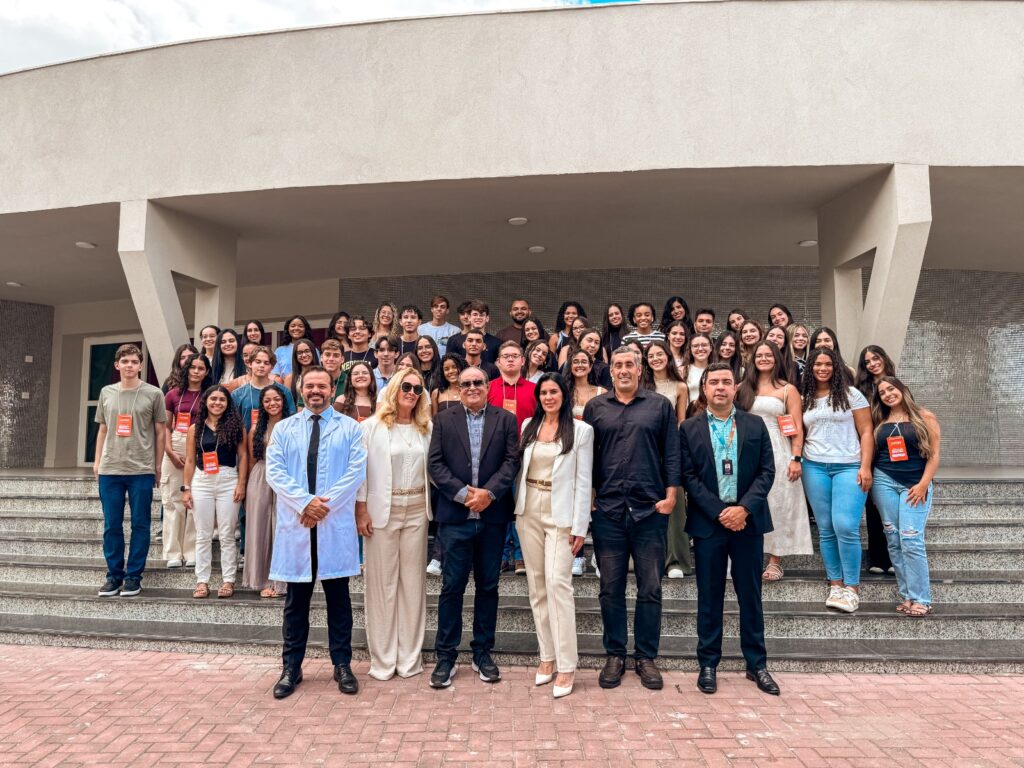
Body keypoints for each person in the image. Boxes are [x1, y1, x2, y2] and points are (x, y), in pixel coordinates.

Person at [265, 367, 367, 699]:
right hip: (298, 523)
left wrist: (322, 506)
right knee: (296, 603)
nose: (315, 391)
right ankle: (291, 667)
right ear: (300, 389)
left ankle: (342, 664)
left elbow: (356, 471)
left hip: (332, 523)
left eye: (322, 386)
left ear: (331, 389)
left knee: (339, 600)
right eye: (309, 386)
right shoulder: (284, 429)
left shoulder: (350, 428)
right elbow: (275, 472)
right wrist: (305, 503)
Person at [679, 362, 779, 696]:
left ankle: (757, 664)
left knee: (750, 595)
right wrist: (719, 511)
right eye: (714, 382)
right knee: (709, 597)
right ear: (704, 388)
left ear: (735, 388)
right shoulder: (689, 428)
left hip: (747, 522)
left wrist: (743, 509)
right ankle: (708, 663)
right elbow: (689, 476)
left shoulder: (754, 424)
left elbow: (766, 471)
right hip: (709, 523)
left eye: (726, 382)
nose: (720, 387)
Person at [583, 346, 679, 691]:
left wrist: (671, 495)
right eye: (618, 365)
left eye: (629, 364)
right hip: (608, 510)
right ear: (610, 371)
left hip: (649, 510)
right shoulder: (596, 407)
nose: (623, 370)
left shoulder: (660, 406)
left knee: (650, 587)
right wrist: (589, 496)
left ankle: (646, 656)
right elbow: (587, 456)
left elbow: (672, 453)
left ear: (640, 370)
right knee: (610, 588)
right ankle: (615, 654)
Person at [427, 365, 520, 688]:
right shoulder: (443, 420)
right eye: (465, 383)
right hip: (456, 519)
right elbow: (435, 464)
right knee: (451, 588)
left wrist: (489, 494)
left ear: (487, 386)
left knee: (488, 587)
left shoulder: (505, 420)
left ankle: (482, 652)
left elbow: (511, 461)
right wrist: (465, 494)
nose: (472, 387)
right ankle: (446, 656)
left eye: (478, 382)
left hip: (492, 519)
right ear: (459, 388)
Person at [516, 373, 594, 698]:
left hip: (560, 512)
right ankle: (546, 656)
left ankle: (567, 664)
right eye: (544, 392)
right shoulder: (528, 426)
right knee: (537, 587)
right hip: (528, 509)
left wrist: (580, 526)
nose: (548, 397)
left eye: (554, 392)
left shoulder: (581, 430)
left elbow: (584, 480)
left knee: (557, 584)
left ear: (564, 394)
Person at [356, 369, 433, 680]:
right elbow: (360, 472)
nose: (412, 392)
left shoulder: (426, 428)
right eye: (406, 386)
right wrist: (361, 510)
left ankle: (410, 659)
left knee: (413, 586)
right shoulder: (371, 427)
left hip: (417, 511)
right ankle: (384, 660)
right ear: (394, 389)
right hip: (380, 512)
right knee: (381, 586)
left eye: (417, 388)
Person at [800, 348, 874, 613]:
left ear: (836, 367)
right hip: (814, 466)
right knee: (826, 528)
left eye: (828, 364)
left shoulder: (851, 394)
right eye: (817, 364)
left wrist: (865, 466)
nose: (823, 368)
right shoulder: (805, 398)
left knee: (846, 526)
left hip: (849, 465)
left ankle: (852, 588)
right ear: (810, 368)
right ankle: (835, 583)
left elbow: (867, 431)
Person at [93, 344, 167, 598]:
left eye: (134, 362)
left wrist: (158, 465)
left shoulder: (153, 393)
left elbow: (160, 432)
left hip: (141, 469)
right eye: (125, 361)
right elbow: (103, 429)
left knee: (140, 524)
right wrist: (97, 461)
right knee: (111, 525)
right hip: (110, 468)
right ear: (117, 365)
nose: (129, 365)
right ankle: (114, 576)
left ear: (140, 365)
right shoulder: (106, 392)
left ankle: (134, 576)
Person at [736, 342, 812, 582]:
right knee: (748, 500)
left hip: (778, 448)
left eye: (769, 355)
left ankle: (775, 559)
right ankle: (748, 555)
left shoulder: (788, 389)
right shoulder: (741, 388)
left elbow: (797, 427)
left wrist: (796, 458)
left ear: (777, 358)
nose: (764, 358)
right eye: (759, 355)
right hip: (746, 449)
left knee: (779, 501)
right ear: (752, 359)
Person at [870, 376, 942, 617]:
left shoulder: (924, 416)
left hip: (915, 483)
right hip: (883, 481)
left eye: (891, 389)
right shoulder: (880, 420)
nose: (887, 394)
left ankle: (922, 599)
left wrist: (923, 484)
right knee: (893, 538)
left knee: (911, 539)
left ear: (902, 389)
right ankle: (908, 596)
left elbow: (934, 455)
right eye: (882, 393)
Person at [182, 385, 247, 599]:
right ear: (206, 402)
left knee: (227, 533)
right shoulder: (195, 428)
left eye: (222, 399)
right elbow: (190, 460)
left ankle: (228, 580)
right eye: (213, 399)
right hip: (202, 480)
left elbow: (243, 457)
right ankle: (202, 581)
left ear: (228, 403)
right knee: (203, 534)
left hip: (228, 479)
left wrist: (241, 484)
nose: (217, 403)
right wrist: (186, 488)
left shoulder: (236, 426)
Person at [644, 341, 691, 581]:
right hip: (643, 448)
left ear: (668, 357)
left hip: (670, 449)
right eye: (651, 355)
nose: (655, 359)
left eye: (659, 354)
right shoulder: (641, 384)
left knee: (675, 503)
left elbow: (681, 422)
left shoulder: (680, 386)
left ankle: (675, 560)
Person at [488, 341, 535, 574]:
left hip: (524, 456)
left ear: (523, 361)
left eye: (515, 355)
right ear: (497, 362)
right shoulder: (488, 388)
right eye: (505, 356)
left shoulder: (534, 389)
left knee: (521, 507)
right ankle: (500, 554)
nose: (510, 359)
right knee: (498, 507)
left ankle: (520, 555)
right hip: (495, 458)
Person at [243, 385, 293, 598]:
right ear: (262, 405)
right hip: (261, 477)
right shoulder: (256, 429)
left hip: (287, 477)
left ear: (284, 401)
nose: (272, 403)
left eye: (277, 399)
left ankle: (283, 581)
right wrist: (245, 488)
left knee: (283, 528)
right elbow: (251, 460)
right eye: (267, 400)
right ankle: (263, 580)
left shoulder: (293, 425)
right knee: (261, 529)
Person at [161, 352, 210, 568]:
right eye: (193, 367)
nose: (196, 372)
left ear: (206, 372)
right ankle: (173, 552)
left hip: (200, 444)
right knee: (172, 500)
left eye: (201, 368)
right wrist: (169, 451)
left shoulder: (209, 394)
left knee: (195, 499)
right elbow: (165, 427)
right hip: (176, 443)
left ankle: (191, 551)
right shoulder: (172, 394)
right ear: (186, 369)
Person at [856, 345, 899, 575]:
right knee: (873, 505)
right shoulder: (861, 390)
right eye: (867, 361)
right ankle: (878, 557)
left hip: (894, 449)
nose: (873, 364)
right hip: (870, 449)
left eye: (876, 358)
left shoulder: (896, 384)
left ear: (884, 358)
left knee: (892, 507)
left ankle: (895, 558)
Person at [231, 346, 295, 431]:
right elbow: (232, 424)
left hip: (277, 437)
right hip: (246, 438)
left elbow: (292, 421)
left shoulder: (284, 391)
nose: (262, 365)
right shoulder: (237, 394)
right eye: (258, 362)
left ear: (272, 367)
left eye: (266, 363)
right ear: (250, 364)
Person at [271, 315, 313, 381]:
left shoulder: (313, 349)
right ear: (288, 329)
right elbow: (274, 375)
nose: (296, 328)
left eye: (300, 326)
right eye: (293, 326)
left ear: (305, 329)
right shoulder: (279, 351)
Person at [284, 338, 320, 406]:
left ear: (313, 352)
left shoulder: (322, 375)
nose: (304, 355)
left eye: (307, 351)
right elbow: (288, 404)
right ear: (295, 356)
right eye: (299, 353)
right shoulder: (289, 378)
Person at [682, 333, 713, 406]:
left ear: (711, 348)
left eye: (704, 345)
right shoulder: (683, 371)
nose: (700, 349)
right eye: (695, 346)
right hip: (689, 411)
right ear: (690, 349)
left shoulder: (718, 371)